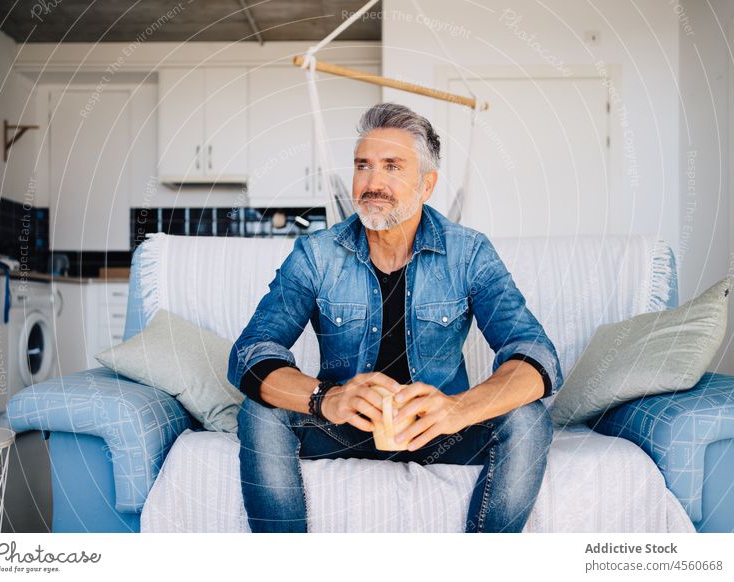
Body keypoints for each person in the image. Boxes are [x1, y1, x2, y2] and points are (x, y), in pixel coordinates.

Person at [227, 102, 563, 533]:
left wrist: (458, 410)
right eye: (363, 165)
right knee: (259, 412)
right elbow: (252, 353)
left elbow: (535, 354)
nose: (373, 182)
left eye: (392, 167)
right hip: (344, 427)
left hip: (441, 433)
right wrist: (325, 398)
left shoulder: (469, 253)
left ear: (426, 185)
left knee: (529, 417)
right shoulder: (317, 254)